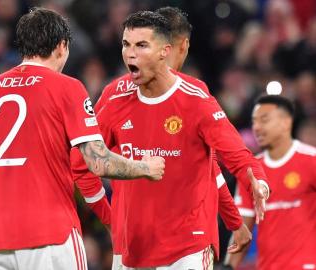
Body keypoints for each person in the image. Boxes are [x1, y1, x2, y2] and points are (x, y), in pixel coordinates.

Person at [0, 8, 165, 270]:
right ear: (62, 46)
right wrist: (146, 168)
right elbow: (98, 163)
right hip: (50, 236)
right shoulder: (66, 87)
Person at [74, 10, 269, 270]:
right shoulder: (114, 97)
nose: (130, 54)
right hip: (132, 246)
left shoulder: (195, 99)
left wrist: (257, 179)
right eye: (126, 44)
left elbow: (233, 154)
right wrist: (110, 219)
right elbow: (80, 162)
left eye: (141, 45)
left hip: (186, 246)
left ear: (165, 51)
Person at [225, 95, 316, 270]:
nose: (257, 127)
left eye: (264, 120)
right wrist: (229, 267)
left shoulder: (311, 160)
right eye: (254, 122)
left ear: (286, 122)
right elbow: (242, 231)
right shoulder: (250, 171)